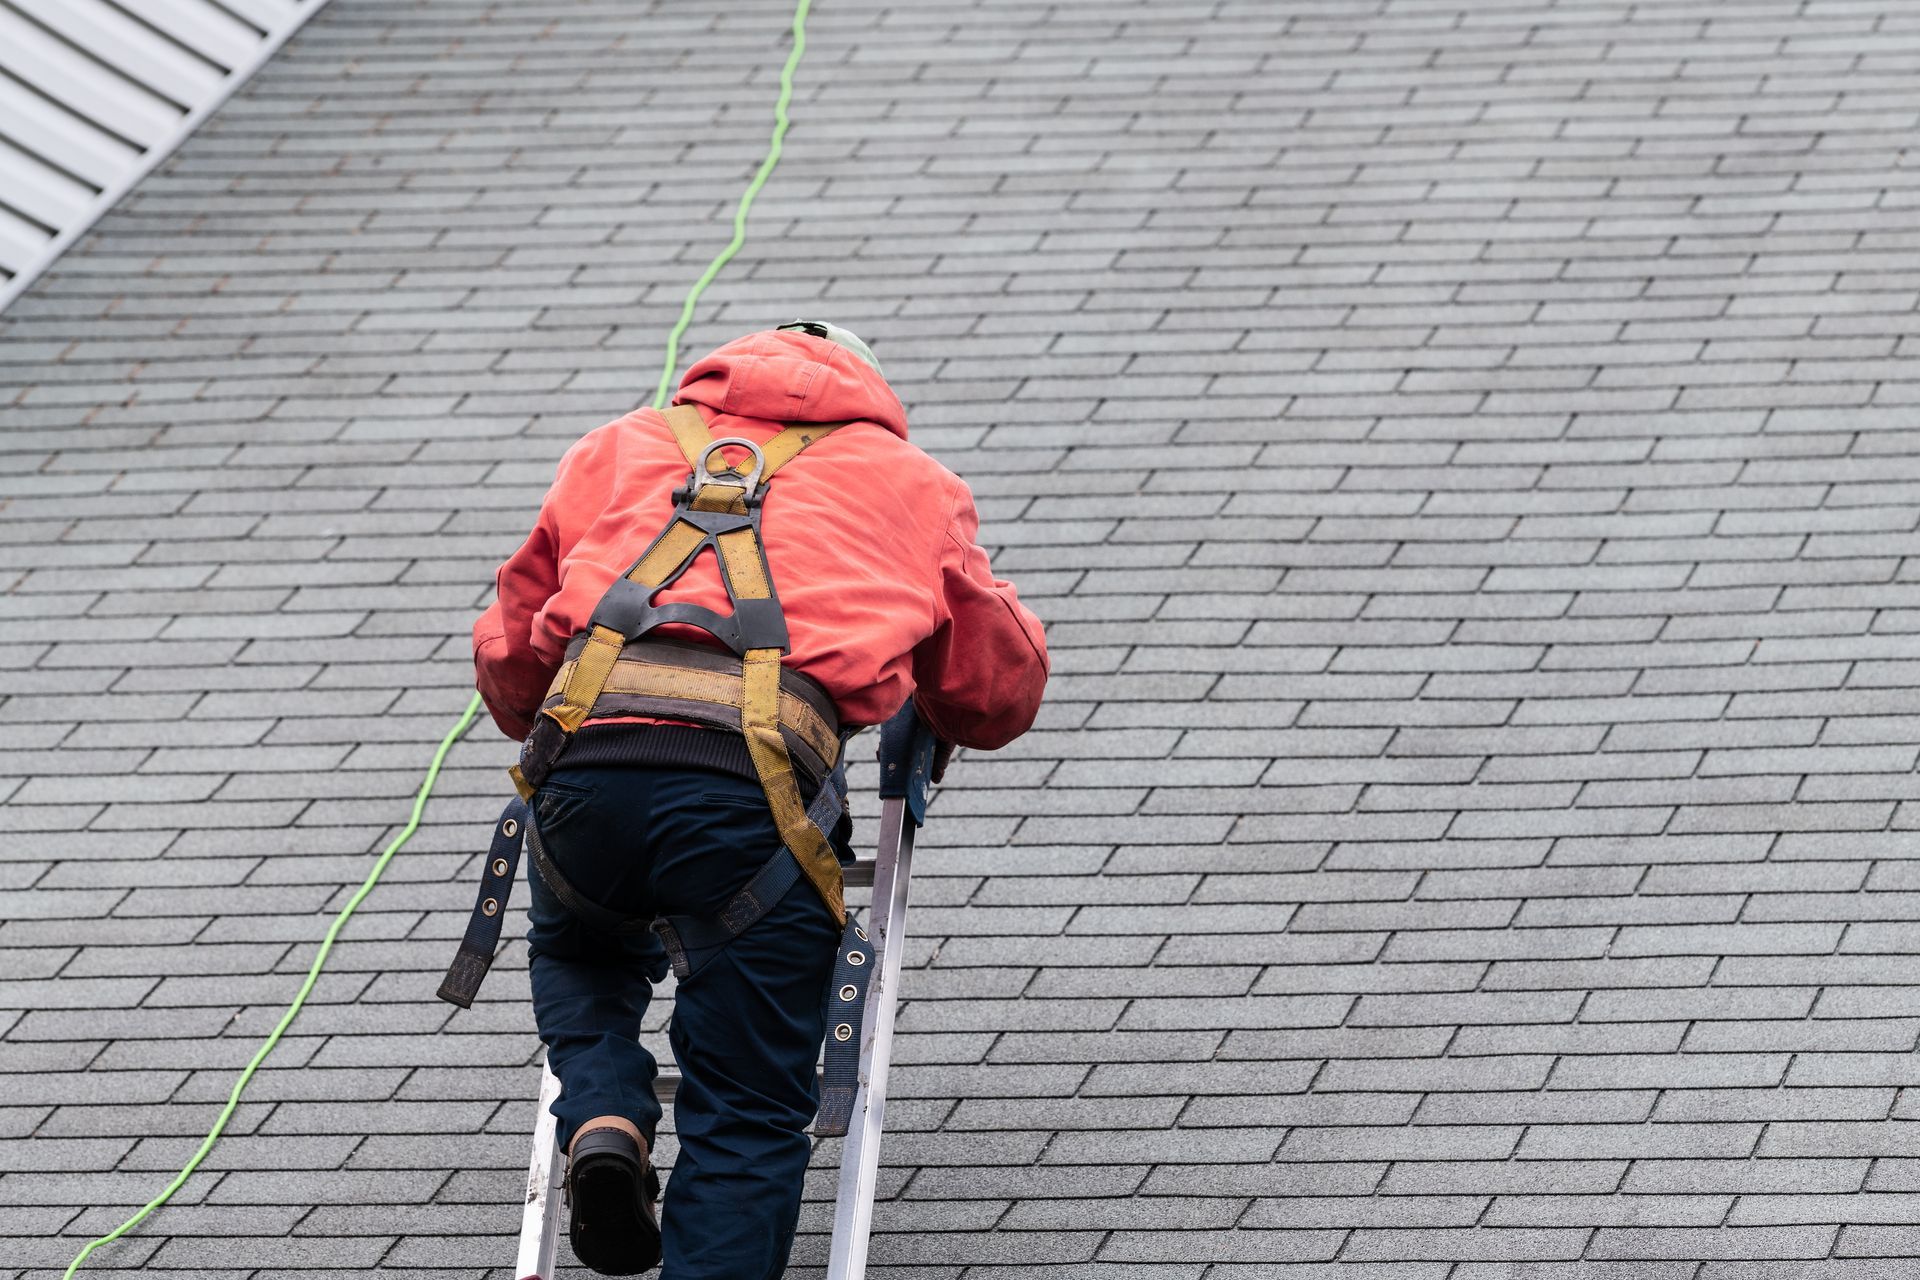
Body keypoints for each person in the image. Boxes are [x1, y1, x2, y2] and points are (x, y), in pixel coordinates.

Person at [471, 321, 1049, 1277]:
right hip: (751, 803)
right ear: (866, 389)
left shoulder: (619, 445)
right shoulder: (910, 483)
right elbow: (996, 692)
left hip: (585, 773)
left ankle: (606, 1113)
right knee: (746, 1112)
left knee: (579, 946)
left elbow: (514, 654)